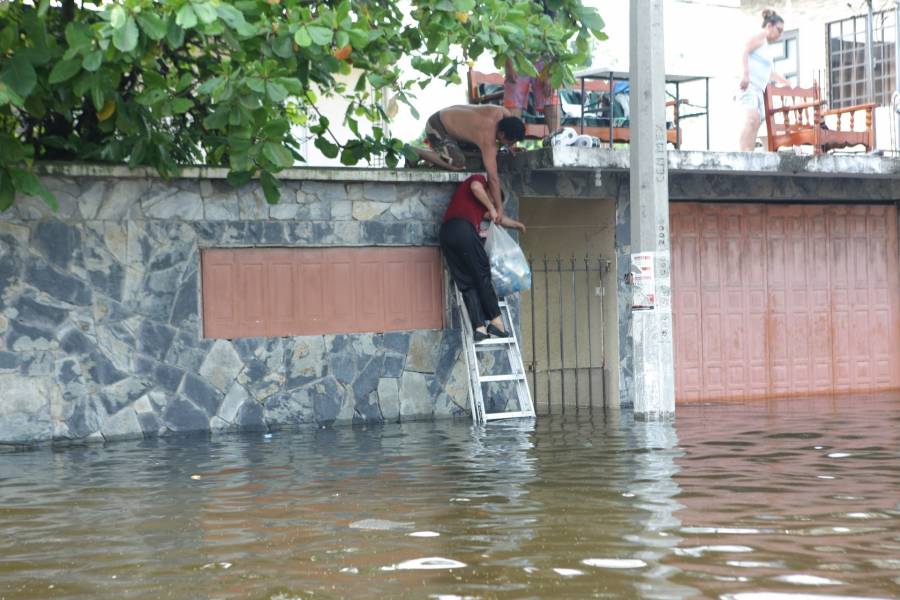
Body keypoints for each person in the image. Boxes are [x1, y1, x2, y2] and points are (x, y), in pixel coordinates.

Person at [440, 174, 526, 342]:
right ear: (490, 192)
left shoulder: (477, 207)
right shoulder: (479, 180)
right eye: (492, 202)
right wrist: (493, 208)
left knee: (467, 283)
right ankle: (496, 322)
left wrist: (517, 225)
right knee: (482, 273)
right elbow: (476, 188)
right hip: (462, 229)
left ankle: (479, 328)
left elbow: (498, 219)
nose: (491, 207)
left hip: (446, 234)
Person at [412, 105, 525, 221]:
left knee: (477, 157)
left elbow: (514, 125)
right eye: (511, 142)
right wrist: (500, 209)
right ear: (501, 134)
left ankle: (439, 156)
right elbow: (493, 179)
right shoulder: (487, 138)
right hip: (436, 127)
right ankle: (417, 152)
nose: (510, 145)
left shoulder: (501, 112)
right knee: (458, 163)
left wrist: (509, 147)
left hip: (446, 119)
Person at [737, 8, 791, 151]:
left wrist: (786, 82)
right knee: (751, 119)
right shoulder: (760, 36)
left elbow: (769, 72)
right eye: (779, 30)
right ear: (769, 26)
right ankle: (743, 152)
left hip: (759, 89)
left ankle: (749, 151)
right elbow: (744, 50)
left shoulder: (766, 46)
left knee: (756, 121)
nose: (780, 34)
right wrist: (745, 74)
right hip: (750, 85)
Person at [504, 57, 560, 136]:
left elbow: (557, 47)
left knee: (549, 96)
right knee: (513, 102)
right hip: (517, 55)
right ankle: (509, 144)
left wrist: (551, 72)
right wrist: (509, 59)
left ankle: (557, 141)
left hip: (544, 55)